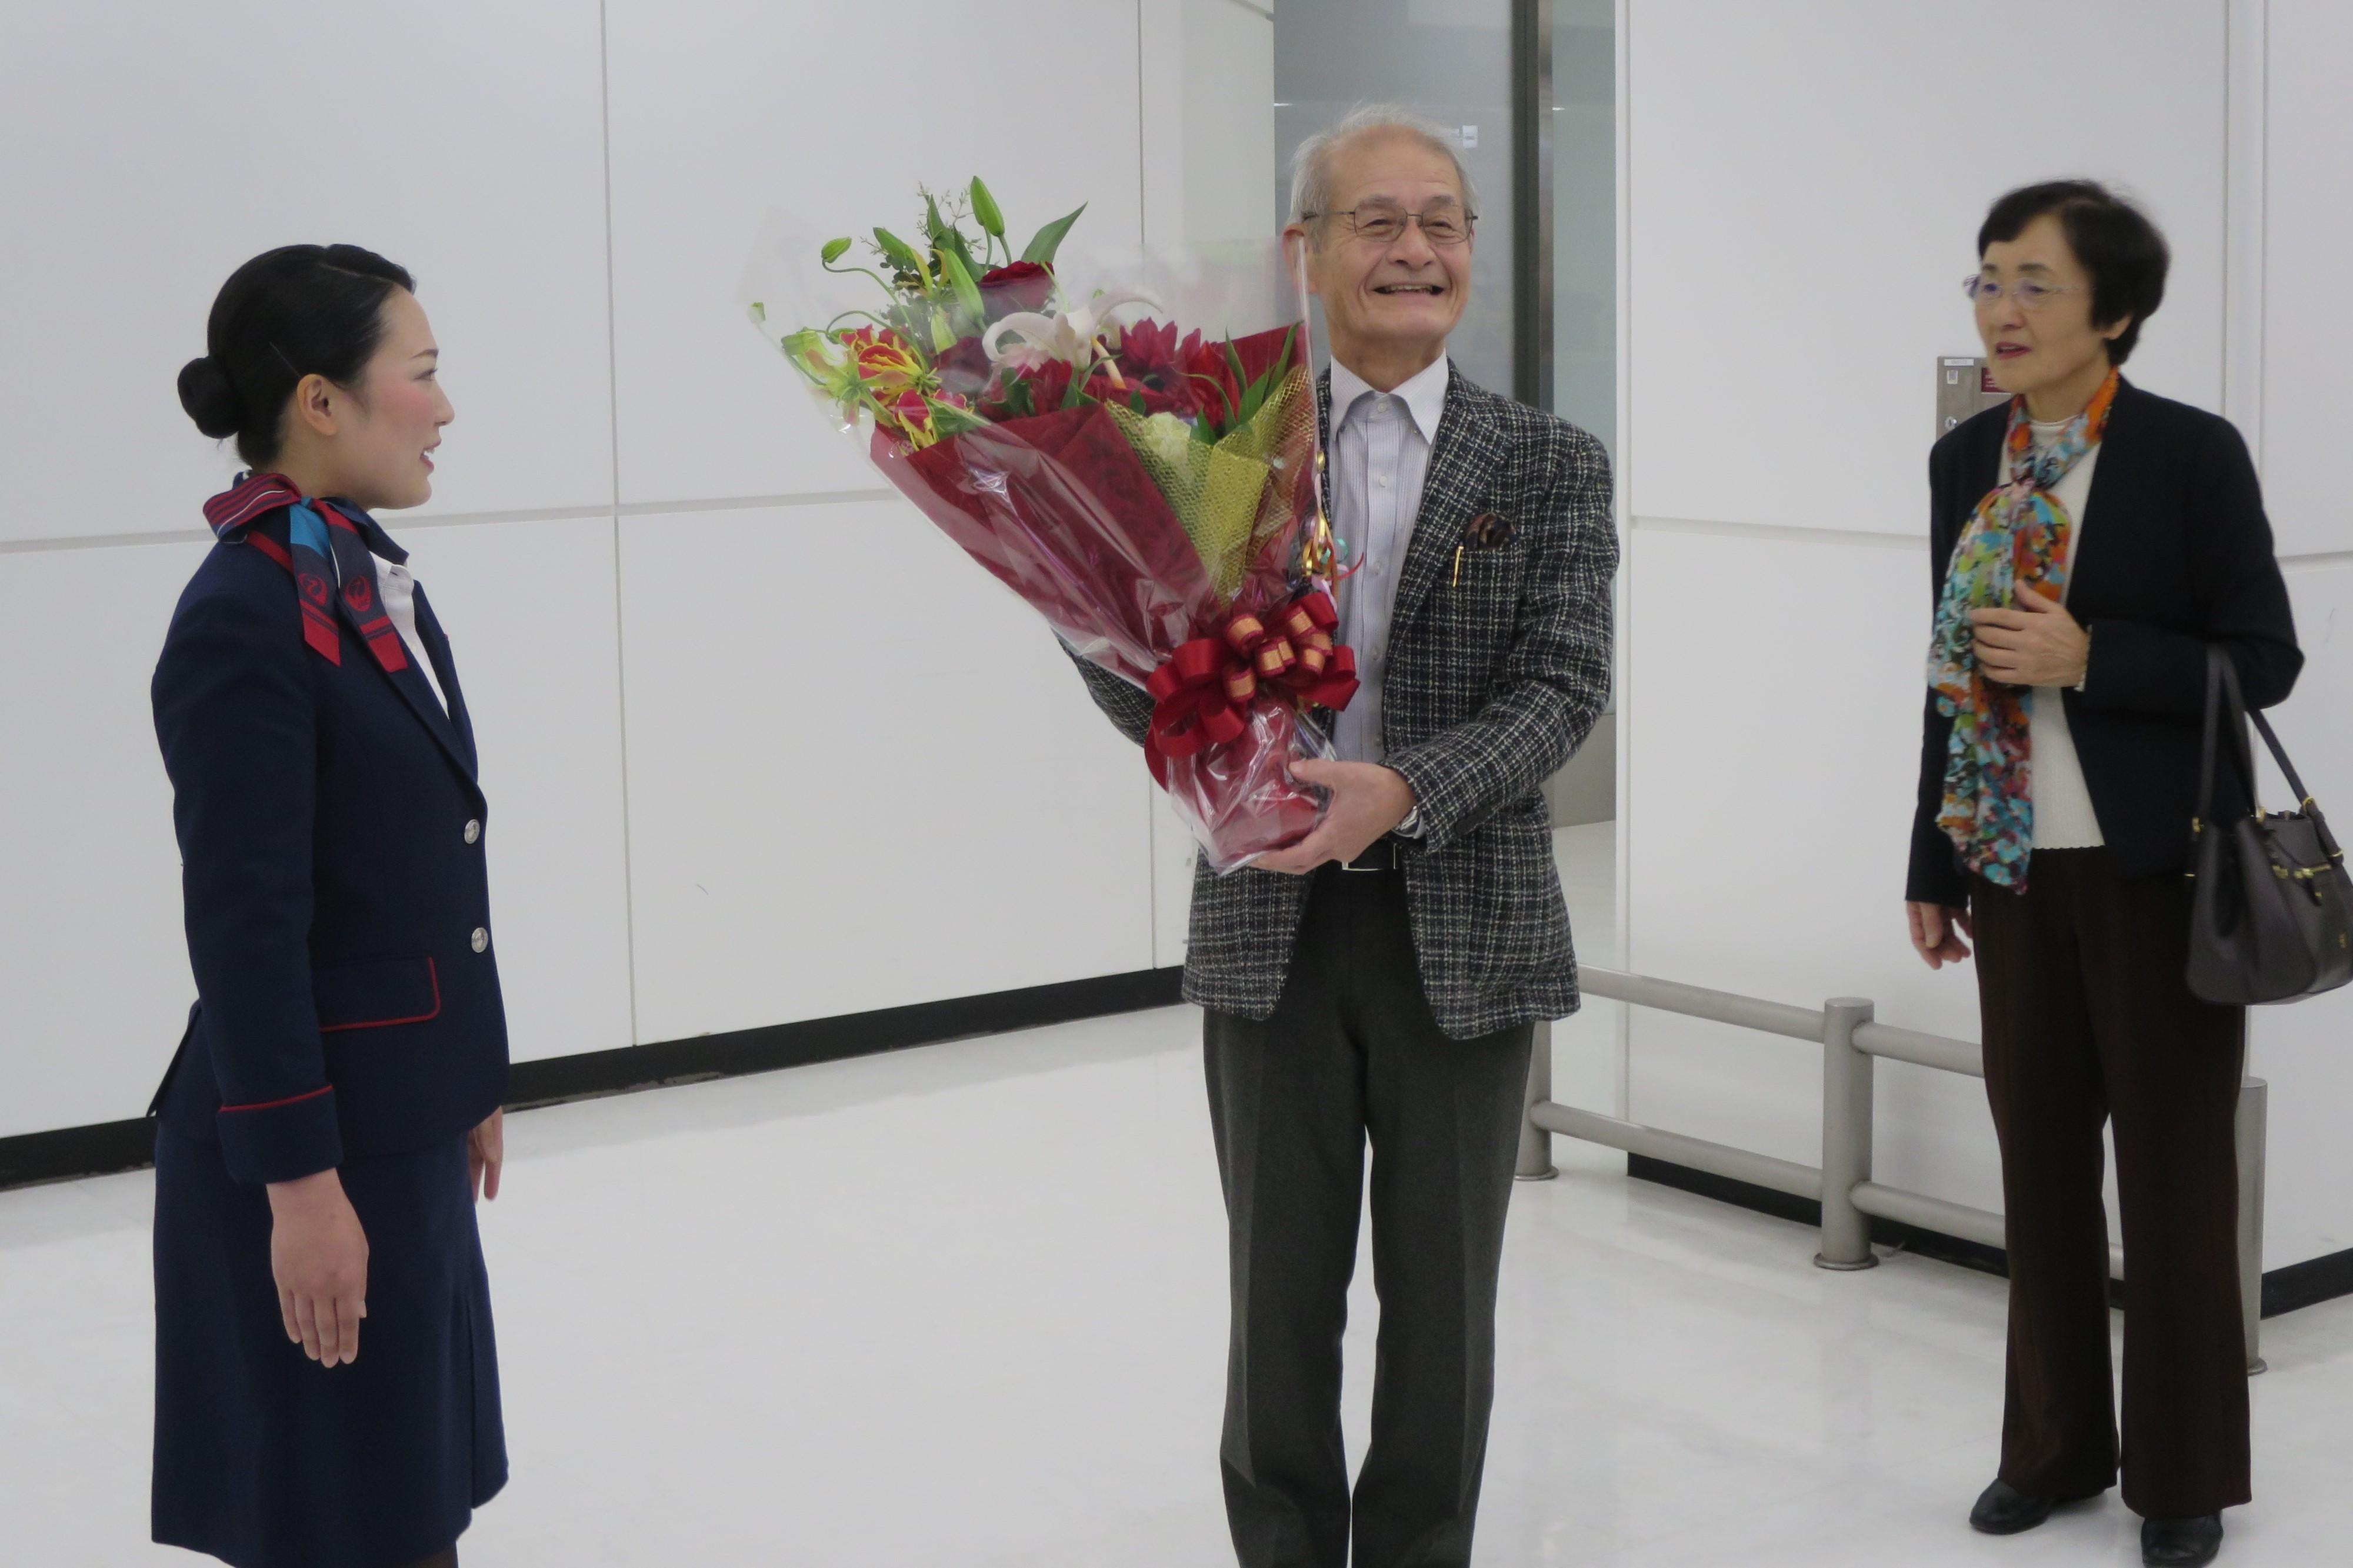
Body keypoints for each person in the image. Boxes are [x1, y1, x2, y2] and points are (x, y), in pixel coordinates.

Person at [1071, 106, 1616, 1568]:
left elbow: (1564, 689)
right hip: (1271, 925)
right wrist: (1202, 745)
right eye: (1376, 220)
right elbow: (1112, 631)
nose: (1415, 249)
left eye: (1441, 220)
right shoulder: (1216, 444)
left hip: (1464, 926)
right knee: (1278, 1297)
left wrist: (1406, 787)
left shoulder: (1548, 461)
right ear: (1302, 251)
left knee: (1445, 1312)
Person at [1905, 181, 2299, 1568]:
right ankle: (2053, 1446)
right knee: (2039, 1173)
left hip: (2158, 869)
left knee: (2174, 1178)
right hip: (2008, 866)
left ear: (2114, 314)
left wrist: (2092, 660)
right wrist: (1927, 861)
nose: (1998, 311)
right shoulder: (1967, 458)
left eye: (2033, 285)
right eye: (1985, 281)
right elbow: (1947, 677)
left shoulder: (2191, 456)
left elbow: (2262, 659)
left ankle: (2180, 1474)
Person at [151, 243, 509, 1568]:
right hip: (313, 1154)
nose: (444, 406)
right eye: (420, 375)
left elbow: (411, 857)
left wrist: (462, 1064)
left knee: (402, 1516)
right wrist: (300, 1188)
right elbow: (244, 929)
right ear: (320, 401)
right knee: (342, 1528)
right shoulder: (246, 612)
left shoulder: (351, 571)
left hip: (395, 1118)